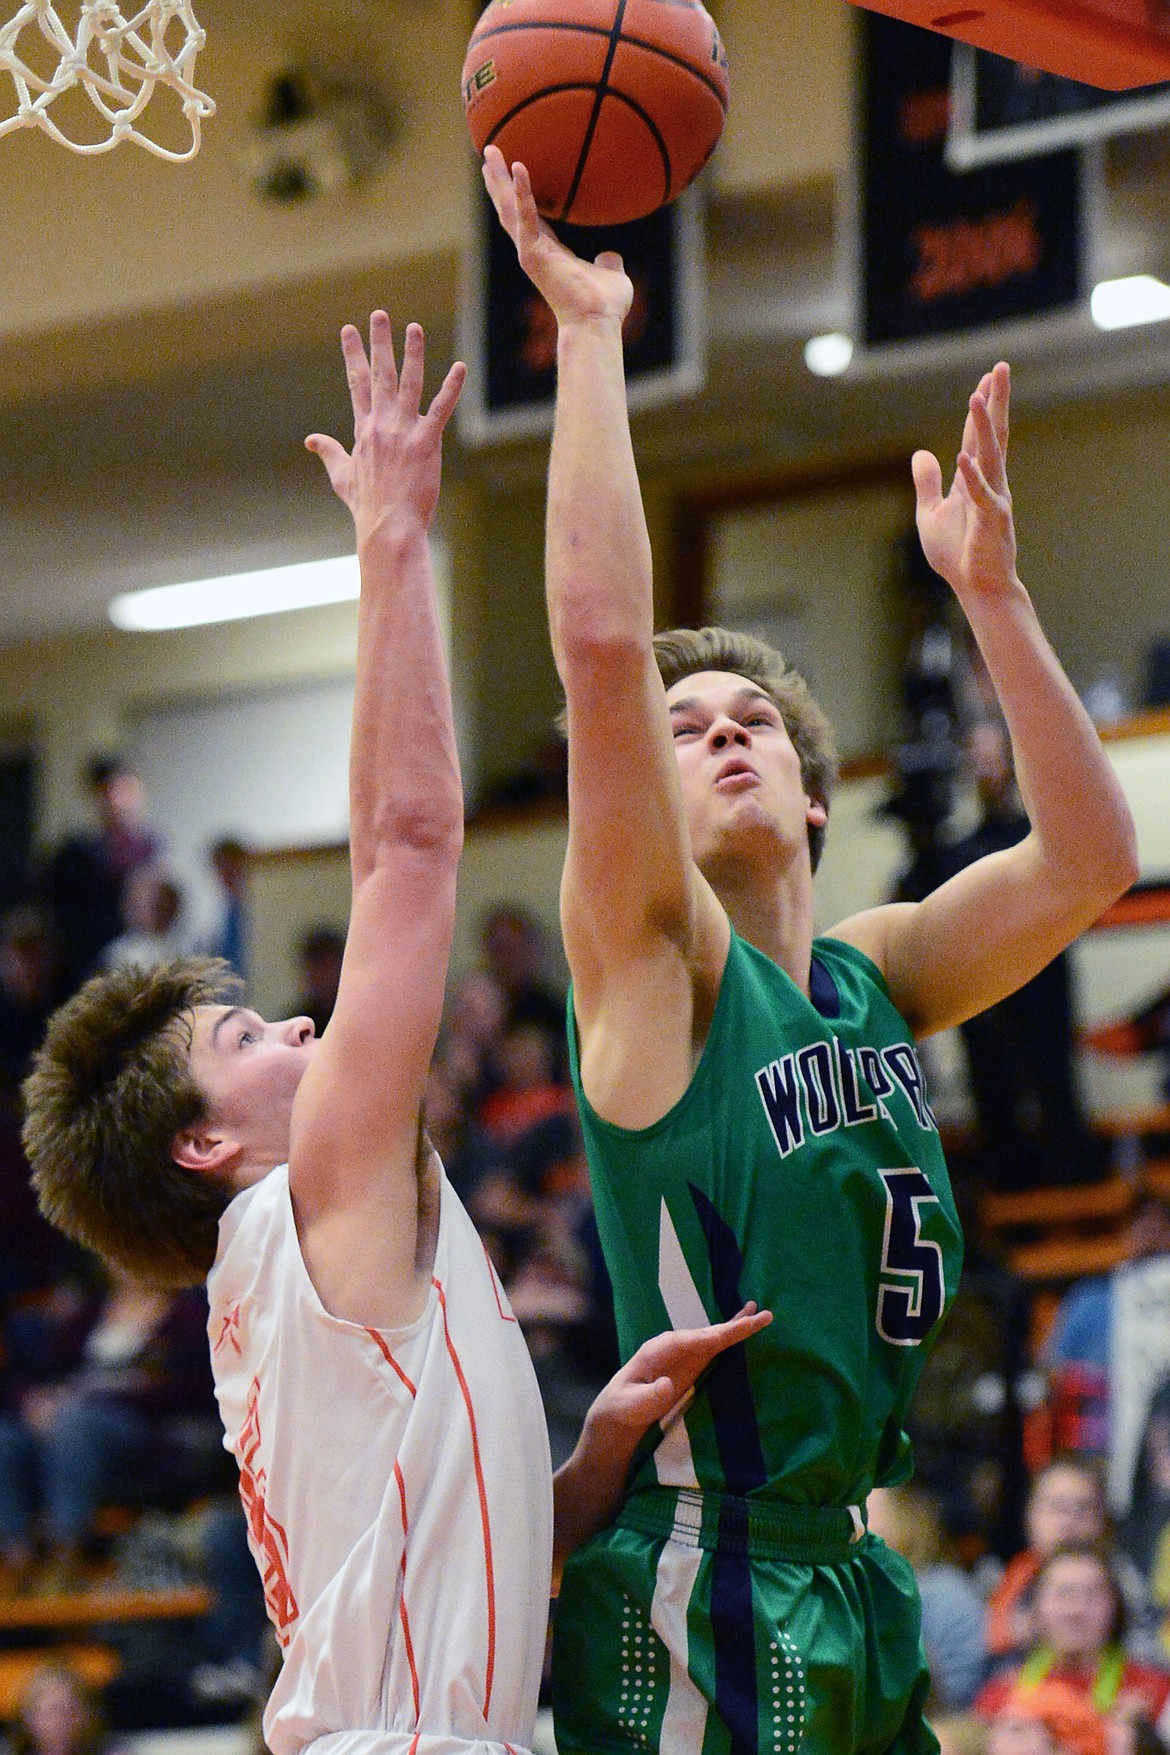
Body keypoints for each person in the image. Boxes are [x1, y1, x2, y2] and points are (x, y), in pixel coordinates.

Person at [20, 316, 769, 1755]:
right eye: (245, 1030)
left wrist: (590, 1449)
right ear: (205, 1138)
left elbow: (460, 1572)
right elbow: (411, 847)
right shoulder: (312, 1203)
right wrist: (392, 541)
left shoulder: (295, 1279)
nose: (298, 1019)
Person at [482, 145, 1139, 1755]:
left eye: (751, 719)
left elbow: (1090, 858)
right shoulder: (654, 973)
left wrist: (990, 594)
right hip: (702, 1573)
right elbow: (594, 642)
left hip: (852, 1567)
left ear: (815, 791)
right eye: (682, 723)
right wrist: (584, 338)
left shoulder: (869, 968)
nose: (716, 736)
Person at [941, 719, 1097, 1190]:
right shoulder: (958, 852)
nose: (985, 766)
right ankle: (1011, 1183)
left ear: (1010, 762)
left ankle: (1074, 1182)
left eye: (992, 756)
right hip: (987, 988)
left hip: (1044, 976)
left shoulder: (1039, 836)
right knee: (992, 1082)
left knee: (1056, 1079)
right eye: (977, 757)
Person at [975, 1544, 1170, 1741]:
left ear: (1116, 1607)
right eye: (1063, 1594)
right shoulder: (999, 1698)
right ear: (1035, 1608)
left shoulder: (1154, 1693)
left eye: (1091, 1595)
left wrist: (1144, 1737)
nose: (1076, 1609)